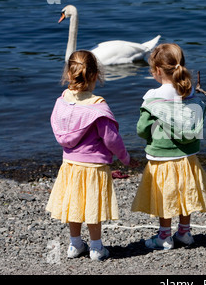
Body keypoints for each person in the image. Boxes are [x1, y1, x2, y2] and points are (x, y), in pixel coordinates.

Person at [46, 50, 138, 261]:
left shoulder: (61, 101)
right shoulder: (97, 107)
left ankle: (75, 244)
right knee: (92, 208)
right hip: (94, 168)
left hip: (70, 164)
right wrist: (126, 158)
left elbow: (56, 125)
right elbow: (112, 139)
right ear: (96, 75)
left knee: (75, 206)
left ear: (69, 75)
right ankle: (96, 248)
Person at [131, 43, 206, 250]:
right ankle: (184, 233)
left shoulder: (153, 98)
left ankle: (164, 236)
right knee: (184, 194)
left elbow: (142, 130)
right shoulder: (191, 97)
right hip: (187, 157)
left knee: (166, 196)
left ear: (158, 71)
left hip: (162, 158)